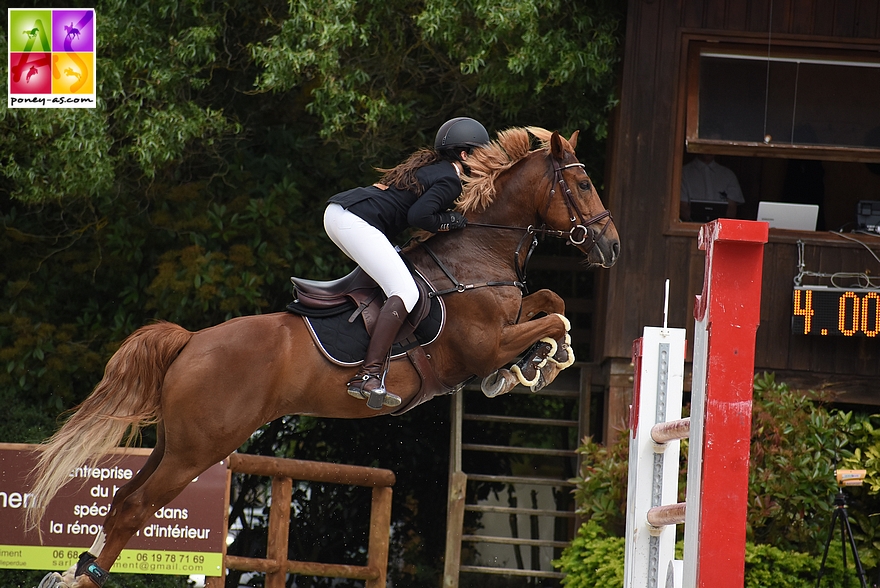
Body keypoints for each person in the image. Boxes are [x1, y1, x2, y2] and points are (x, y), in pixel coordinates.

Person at [323, 117, 491, 409]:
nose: (487, 164)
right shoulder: (450, 178)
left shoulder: (434, 170)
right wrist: (451, 220)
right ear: (465, 156)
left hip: (342, 215)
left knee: (394, 278)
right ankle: (369, 374)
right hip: (354, 221)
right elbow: (419, 217)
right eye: (483, 155)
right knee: (406, 291)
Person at [679, 153, 745, 221]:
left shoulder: (728, 175)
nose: (709, 151)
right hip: (692, 228)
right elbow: (682, 206)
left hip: (720, 229)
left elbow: (731, 209)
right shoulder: (683, 173)